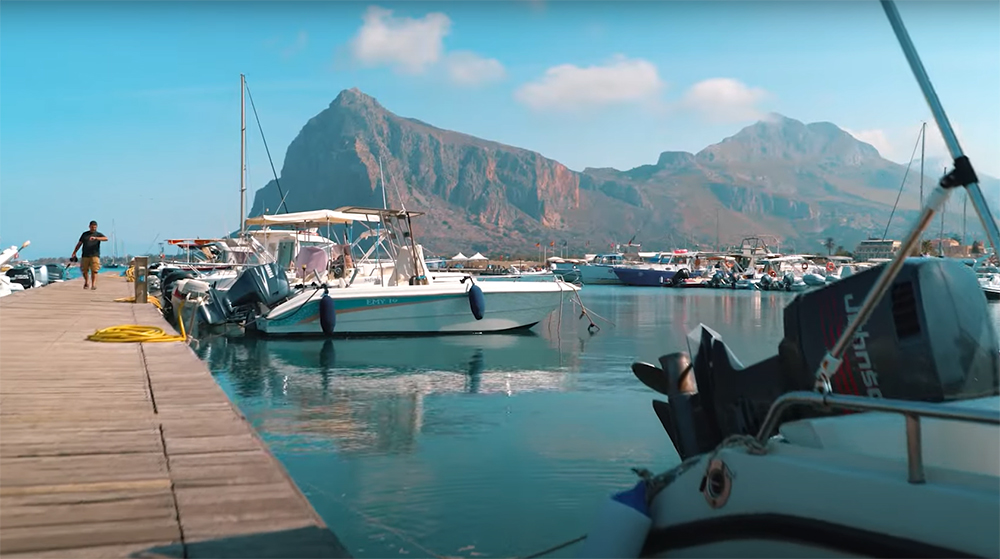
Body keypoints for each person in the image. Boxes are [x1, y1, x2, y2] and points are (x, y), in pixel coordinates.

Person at [72, 221, 108, 290]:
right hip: (85, 255)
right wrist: (74, 252)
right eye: (92, 227)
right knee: (84, 270)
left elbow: (106, 238)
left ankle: (93, 284)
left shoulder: (98, 234)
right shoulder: (85, 234)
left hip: (95, 255)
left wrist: (96, 238)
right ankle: (86, 281)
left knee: (94, 270)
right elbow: (79, 243)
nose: (93, 228)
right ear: (89, 226)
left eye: (95, 227)